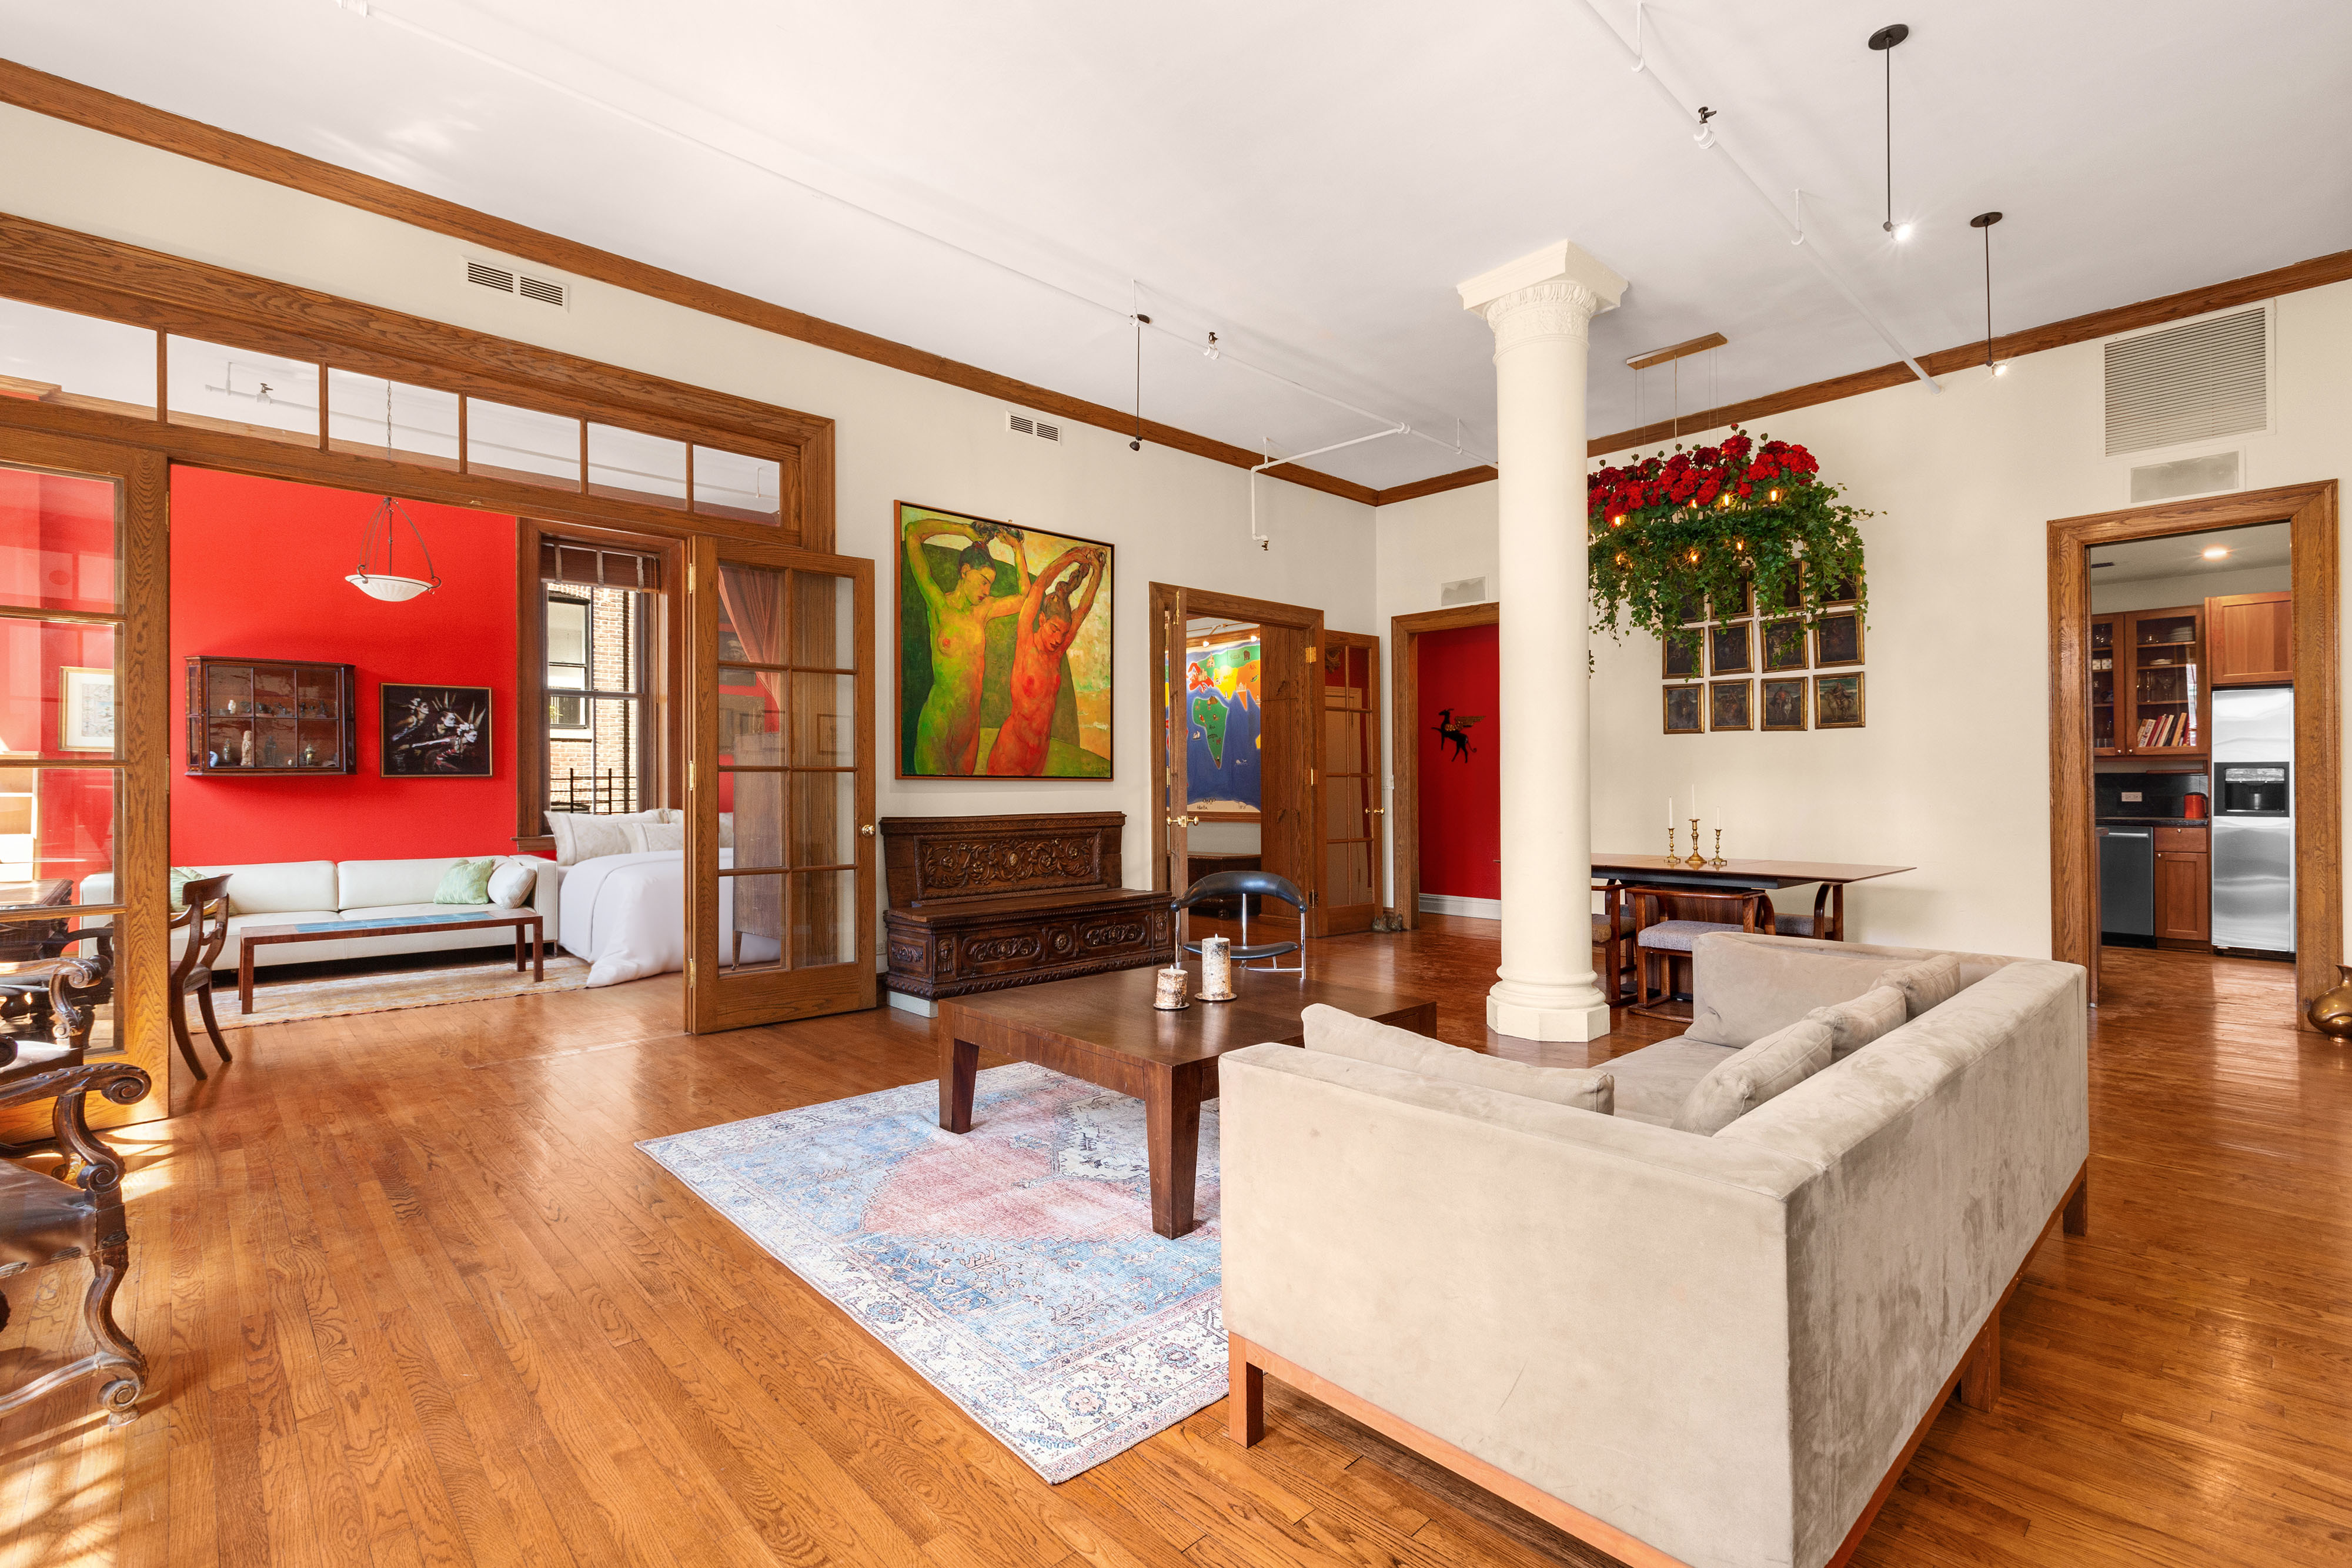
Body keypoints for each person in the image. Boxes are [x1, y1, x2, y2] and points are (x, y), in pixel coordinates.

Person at [904, 517, 1025, 775]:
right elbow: (912, 533)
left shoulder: (984, 610)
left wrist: (1018, 550)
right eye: (982, 580)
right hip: (939, 723)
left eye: (990, 584)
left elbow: (1026, 598)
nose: (986, 589)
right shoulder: (938, 603)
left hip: (970, 731)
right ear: (965, 571)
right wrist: (964, 531)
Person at [984, 544, 1106, 775]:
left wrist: (1097, 574)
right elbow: (1040, 585)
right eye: (1054, 629)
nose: (1059, 638)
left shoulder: (1056, 655)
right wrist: (1070, 557)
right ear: (1041, 620)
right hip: (1011, 752)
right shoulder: (1025, 642)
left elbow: (1083, 610)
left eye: (1063, 632)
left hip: (1040, 755)